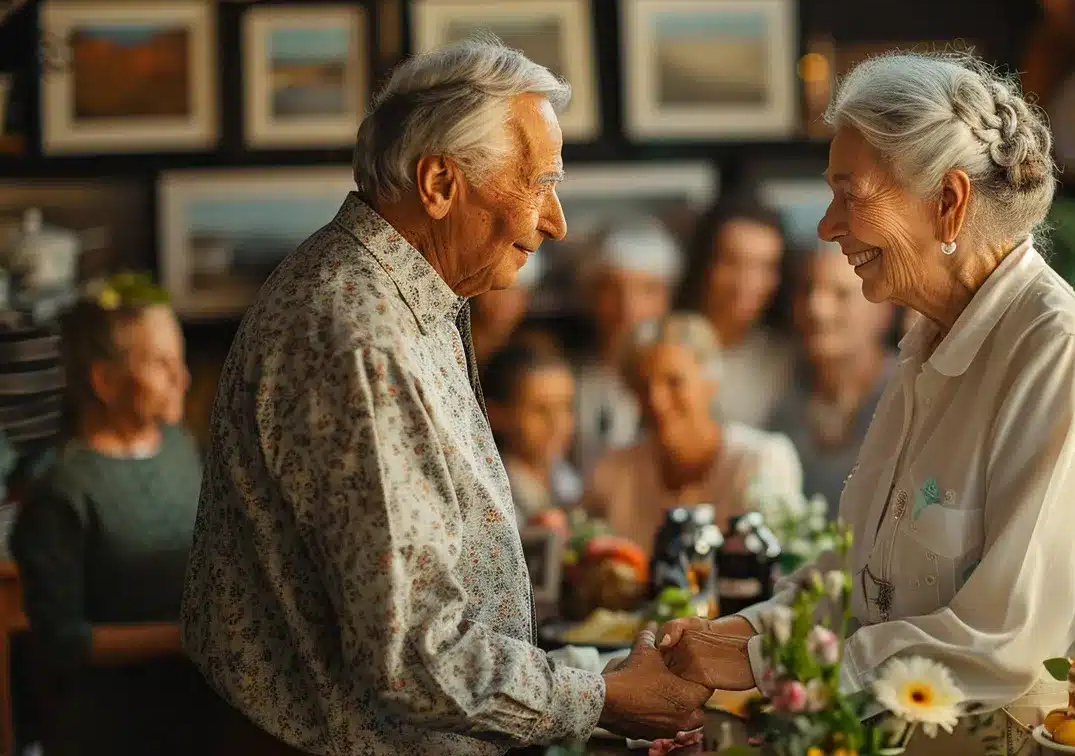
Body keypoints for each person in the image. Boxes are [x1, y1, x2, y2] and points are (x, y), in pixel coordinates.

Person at [180, 37, 710, 756]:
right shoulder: (360, 338)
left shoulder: (403, 298)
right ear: (438, 184)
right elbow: (413, 655)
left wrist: (584, 679)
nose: (555, 222)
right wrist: (604, 697)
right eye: (539, 183)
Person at [656, 51, 1075, 756]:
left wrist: (766, 665)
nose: (828, 227)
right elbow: (858, 577)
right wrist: (738, 634)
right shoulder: (926, 341)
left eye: (848, 193)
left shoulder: (1055, 351)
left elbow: (1006, 640)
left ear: (949, 201)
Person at [12, 273, 206, 756]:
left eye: (179, 359)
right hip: (109, 727)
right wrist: (184, 639)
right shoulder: (63, 491)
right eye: (161, 364)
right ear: (104, 381)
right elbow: (62, 642)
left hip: (194, 709)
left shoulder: (180, 449)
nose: (182, 378)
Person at [585, 312, 805, 551]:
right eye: (642, 385)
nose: (656, 400)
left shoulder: (760, 460)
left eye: (673, 382)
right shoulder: (614, 471)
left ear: (710, 382)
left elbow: (787, 563)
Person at [769, 245, 896, 515]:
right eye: (807, 290)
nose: (817, 309)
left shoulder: (911, 391)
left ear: (884, 308)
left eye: (841, 294)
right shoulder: (778, 391)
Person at [573, 217, 682, 474]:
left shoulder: (686, 383)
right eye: (614, 289)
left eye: (647, 290)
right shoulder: (569, 379)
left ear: (666, 298)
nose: (628, 307)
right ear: (591, 294)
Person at [675, 201, 795, 429]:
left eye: (764, 267)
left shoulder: (786, 357)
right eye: (732, 262)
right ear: (705, 264)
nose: (746, 283)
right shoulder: (666, 344)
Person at [482, 338, 583, 523]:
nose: (557, 423)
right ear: (497, 414)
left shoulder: (571, 481)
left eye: (566, 407)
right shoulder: (491, 495)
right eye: (541, 410)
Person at [468, 245, 548, 364]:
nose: (502, 300)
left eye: (514, 292)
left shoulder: (533, 354)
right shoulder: (450, 342)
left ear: (527, 298)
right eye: (495, 289)